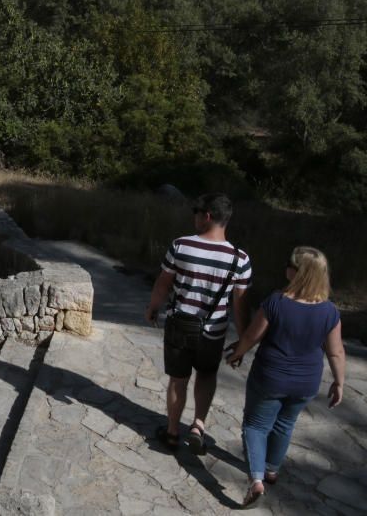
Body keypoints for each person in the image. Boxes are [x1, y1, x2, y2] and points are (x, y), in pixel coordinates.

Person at [225, 246, 344, 507]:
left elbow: (251, 337)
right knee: (284, 424)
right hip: (306, 383)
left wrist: (236, 354)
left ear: (298, 273)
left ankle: (256, 481)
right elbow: (335, 352)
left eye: (289, 263)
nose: (285, 267)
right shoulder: (329, 311)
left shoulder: (276, 302)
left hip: (270, 377)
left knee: (255, 426)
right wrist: (339, 382)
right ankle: (271, 470)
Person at [145, 193, 252, 453]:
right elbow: (240, 305)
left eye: (196, 211)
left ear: (207, 216)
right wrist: (243, 341)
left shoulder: (181, 246)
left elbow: (163, 283)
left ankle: (171, 432)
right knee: (206, 375)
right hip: (213, 332)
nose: (193, 216)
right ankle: (197, 426)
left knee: (177, 380)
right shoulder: (241, 259)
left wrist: (153, 308)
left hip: (180, 325)